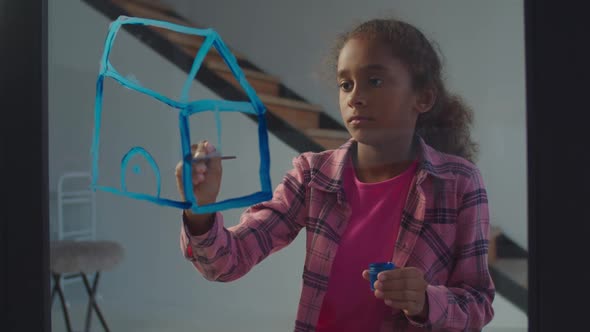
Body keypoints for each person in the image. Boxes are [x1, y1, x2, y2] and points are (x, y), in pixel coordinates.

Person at [176, 17, 495, 332]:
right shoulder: (313, 174)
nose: (354, 97)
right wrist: (200, 208)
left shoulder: (458, 182)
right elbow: (226, 262)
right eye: (346, 84)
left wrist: (426, 302)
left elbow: (478, 304)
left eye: (376, 81)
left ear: (423, 98)